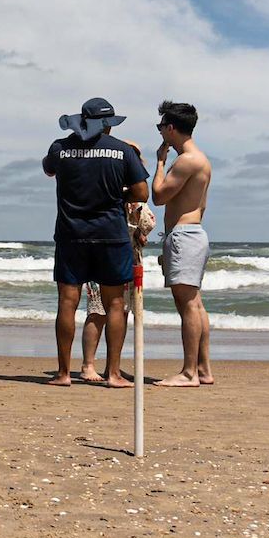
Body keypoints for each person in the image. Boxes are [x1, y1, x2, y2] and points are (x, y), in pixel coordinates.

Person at [42, 98, 149, 388]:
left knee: (67, 302)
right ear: (107, 125)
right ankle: (113, 373)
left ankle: (64, 373)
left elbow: (49, 170)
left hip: (70, 234)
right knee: (115, 303)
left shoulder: (60, 147)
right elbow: (142, 193)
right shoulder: (122, 151)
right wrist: (118, 196)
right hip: (110, 235)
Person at [80, 142, 156, 378]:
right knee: (107, 311)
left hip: (112, 255)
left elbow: (146, 225)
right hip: (116, 255)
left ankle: (100, 365)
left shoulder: (110, 192)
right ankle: (96, 365)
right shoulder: (122, 194)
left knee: (107, 311)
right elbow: (147, 224)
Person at [152, 100, 214, 387]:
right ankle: (202, 369)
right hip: (192, 234)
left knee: (188, 305)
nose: (160, 131)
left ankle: (190, 372)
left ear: (171, 128)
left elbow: (159, 196)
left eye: (161, 126)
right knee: (195, 304)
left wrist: (160, 163)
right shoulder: (201, 158)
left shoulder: (187, 160)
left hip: (185, 236)